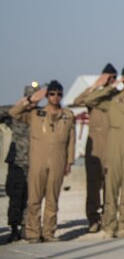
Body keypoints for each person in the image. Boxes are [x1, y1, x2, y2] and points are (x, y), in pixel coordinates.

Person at [80, 64, 124, 238]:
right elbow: (89, 101)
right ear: (123, 79)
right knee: (111, 188)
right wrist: (111, 86)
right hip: (115, 147)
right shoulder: (113, 100)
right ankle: (109, 225)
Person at [9, 81, 75, 243]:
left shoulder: (67, 115)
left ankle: (49, 232)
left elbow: (71, 141)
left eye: (59, 94)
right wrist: (31, 100)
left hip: (57, 162)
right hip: (38, 161)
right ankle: (32, 233)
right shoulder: (36, 114)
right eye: (52, 93)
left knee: (53, 199)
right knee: (34, 199)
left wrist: (69, 161)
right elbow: (14, 112)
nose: (56, 97)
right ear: (47, 96)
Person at [72, 63, 117, 233]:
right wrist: (95, 86)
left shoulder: (116, 97)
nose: (110, 80)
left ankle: (108, 218)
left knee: (110, 186)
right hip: (95, 147)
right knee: (93, 185)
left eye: (112, 77)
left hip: (112, 145)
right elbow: (77, 101)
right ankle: (93, 219)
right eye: (107, 77)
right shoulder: (94, 97)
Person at [0, 84, 34, 243]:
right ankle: (14, 228)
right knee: (15, 197)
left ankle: (26, 227)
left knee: (30, 198)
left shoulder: (38, 114)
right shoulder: (13, 113)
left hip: (34, 163)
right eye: (29, 98)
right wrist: (18, 105)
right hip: (17, 163)